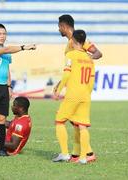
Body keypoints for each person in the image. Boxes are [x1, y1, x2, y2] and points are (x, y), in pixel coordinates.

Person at [0, 23, 36, 156]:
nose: (2, 36)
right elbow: (4, 50)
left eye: (4, 34)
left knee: (0, 119)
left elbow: (7, 70)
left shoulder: (7, 53)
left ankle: (1, 149)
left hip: (3, 88)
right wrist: (23, 47)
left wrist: (9, 86)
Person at [56, 14, 100, 161]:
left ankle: (86, 153)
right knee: (77, 122)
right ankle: (79, 154)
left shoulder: (78, 42)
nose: (58, 29)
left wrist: (85, 60)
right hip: (78, 88)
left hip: (75, 89)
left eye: (59, 26)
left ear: (64, 26)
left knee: (65, 120)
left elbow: (98, 53)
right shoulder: (70, 42)